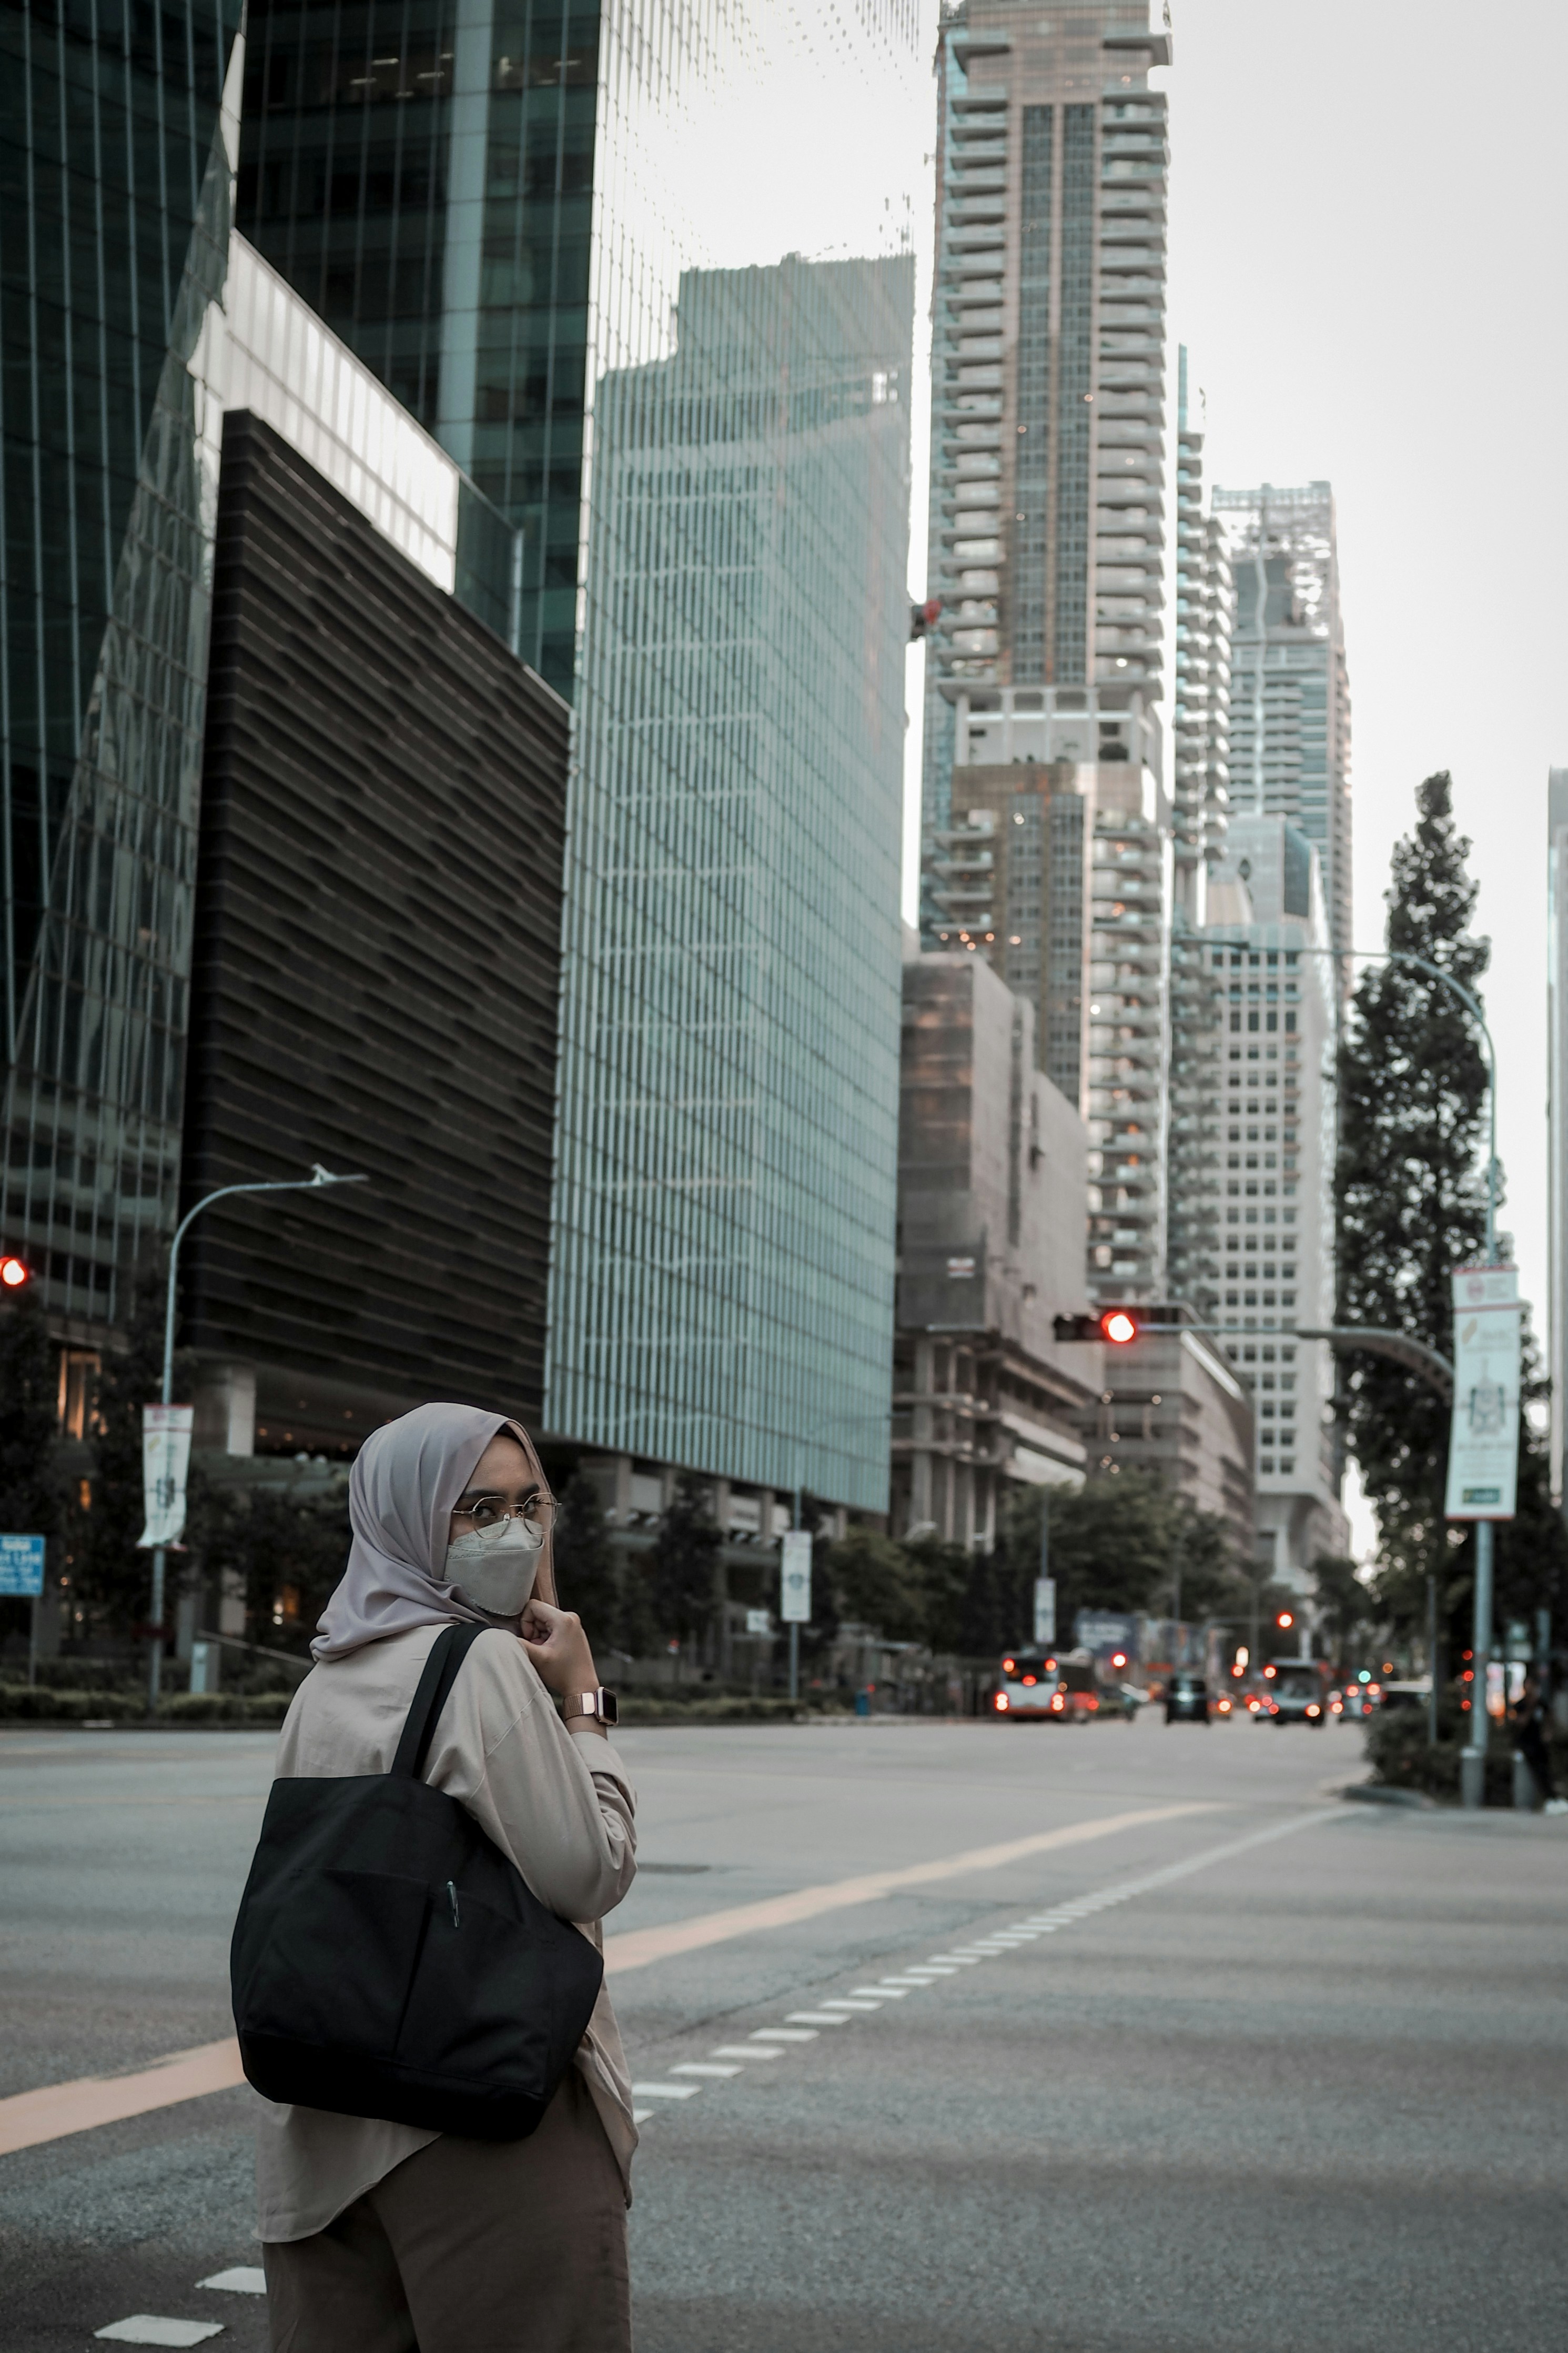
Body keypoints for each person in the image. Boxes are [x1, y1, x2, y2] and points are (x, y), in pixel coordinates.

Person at [256, 1401, 636, 2353]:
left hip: (327, 2120)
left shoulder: (326, 1676)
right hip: (481, 2116)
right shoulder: (481, 1668)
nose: (513, 1532)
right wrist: (585, 1700)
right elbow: (592, 1868)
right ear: (412, 1517)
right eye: (477, 1509)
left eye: (529, 1505)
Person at [1513, 1671, 1568, 1815]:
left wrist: (1548, 1732)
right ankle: (1547, 1798)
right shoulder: (1522, 1704)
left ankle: (1553, 1798)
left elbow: (1550, 1716)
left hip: (1539, 1743)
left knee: (1546, 1770)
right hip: (1527, 1743)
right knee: (1537, 1771)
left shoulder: (1541, 1703)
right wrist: (1531, 1707)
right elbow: (1521, 1723)